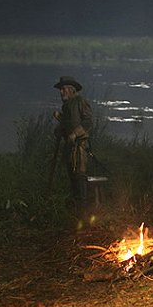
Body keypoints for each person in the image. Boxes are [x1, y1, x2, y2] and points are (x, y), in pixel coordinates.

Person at [53, 76, 93, 215]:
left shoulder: (80, 102)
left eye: (63, 89)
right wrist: (59, 127)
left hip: (79, 146)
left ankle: (83, 212)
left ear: (71, 90)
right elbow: (67, 125)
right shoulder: (67, 105)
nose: (61, 92)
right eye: (61, 89)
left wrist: (75, 134)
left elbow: (88, 121)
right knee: (72, 177)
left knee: (80, 176)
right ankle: (76, 211)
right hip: (69, 148)